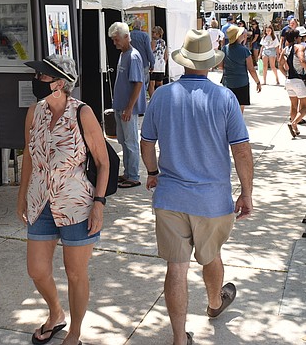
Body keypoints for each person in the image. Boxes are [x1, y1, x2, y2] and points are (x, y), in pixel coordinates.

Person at [139, 29, 254, 345]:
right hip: (212, 199)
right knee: (211, 255)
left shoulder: (162, 95)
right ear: (210, 64)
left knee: (176, 268)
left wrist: (152, 172)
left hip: (171, 196)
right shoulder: (224, 97)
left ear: (184, 61)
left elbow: (146, 143)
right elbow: (241, 150)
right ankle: (215, 303)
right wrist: (246, 192)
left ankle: (179, 339)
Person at [17, 55, 109, 345]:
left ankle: (75, 332)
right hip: (40, 203)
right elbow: (29, 158)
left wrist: (99, 203)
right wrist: (21, 199)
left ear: (59, 83)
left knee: (75, 273)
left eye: (42, 77)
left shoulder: (82, 114)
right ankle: (56, 312)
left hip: (77, 205)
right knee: (37, 270)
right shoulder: (34, 112)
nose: (36, 81)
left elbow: (103, 163)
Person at [108, 22, 147, 189]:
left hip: (127, 108)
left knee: (130, 141)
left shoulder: (133, 56)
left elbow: (138, 83)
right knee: (123, 141)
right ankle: (128, 172)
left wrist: (130, 107)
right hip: (120, 105)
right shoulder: (124, 54)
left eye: (116, 39)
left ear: (125, 37)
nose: (114, 43)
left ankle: (134, 175)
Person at [218, 26, 262, 112]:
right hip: (242, 83)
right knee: (239, 110)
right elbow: (251, 69)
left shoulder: (224, 49)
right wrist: (258, 82)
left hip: (228, 82)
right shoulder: (244, 50)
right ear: (238, 37)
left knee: (228, 109)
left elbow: (220, 66)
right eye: (242, 34)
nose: (244, 35)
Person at [278, 28, 306, 138]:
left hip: (289, 80)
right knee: (305, 106)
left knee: (293, 105)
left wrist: (286, 74)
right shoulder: (299, 47)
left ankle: (295, 128)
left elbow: (280, 64)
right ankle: (294, 123)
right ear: (296, 38)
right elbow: (302, 60)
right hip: (299, 79)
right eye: (299, 36)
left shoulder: (285, 49)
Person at [130, 18, 154, 85]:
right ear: (140, 27)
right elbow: (148, 50)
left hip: (131, 63)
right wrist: (152, 63)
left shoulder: (129, 35)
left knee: (133, 85)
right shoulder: (145, 35)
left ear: (132, 26)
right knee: (143, 85)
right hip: (144, 63)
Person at [149, 26, 168, 98]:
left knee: (151, 84)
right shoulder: (164, 42)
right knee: (160, 83)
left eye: (153, 32)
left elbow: (151, 52)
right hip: (161, 66)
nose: (152, 34)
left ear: (158, 34)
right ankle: (160, 98)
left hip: (154, 65)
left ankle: (152, 100)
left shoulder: (153, 42)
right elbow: (166, 56)